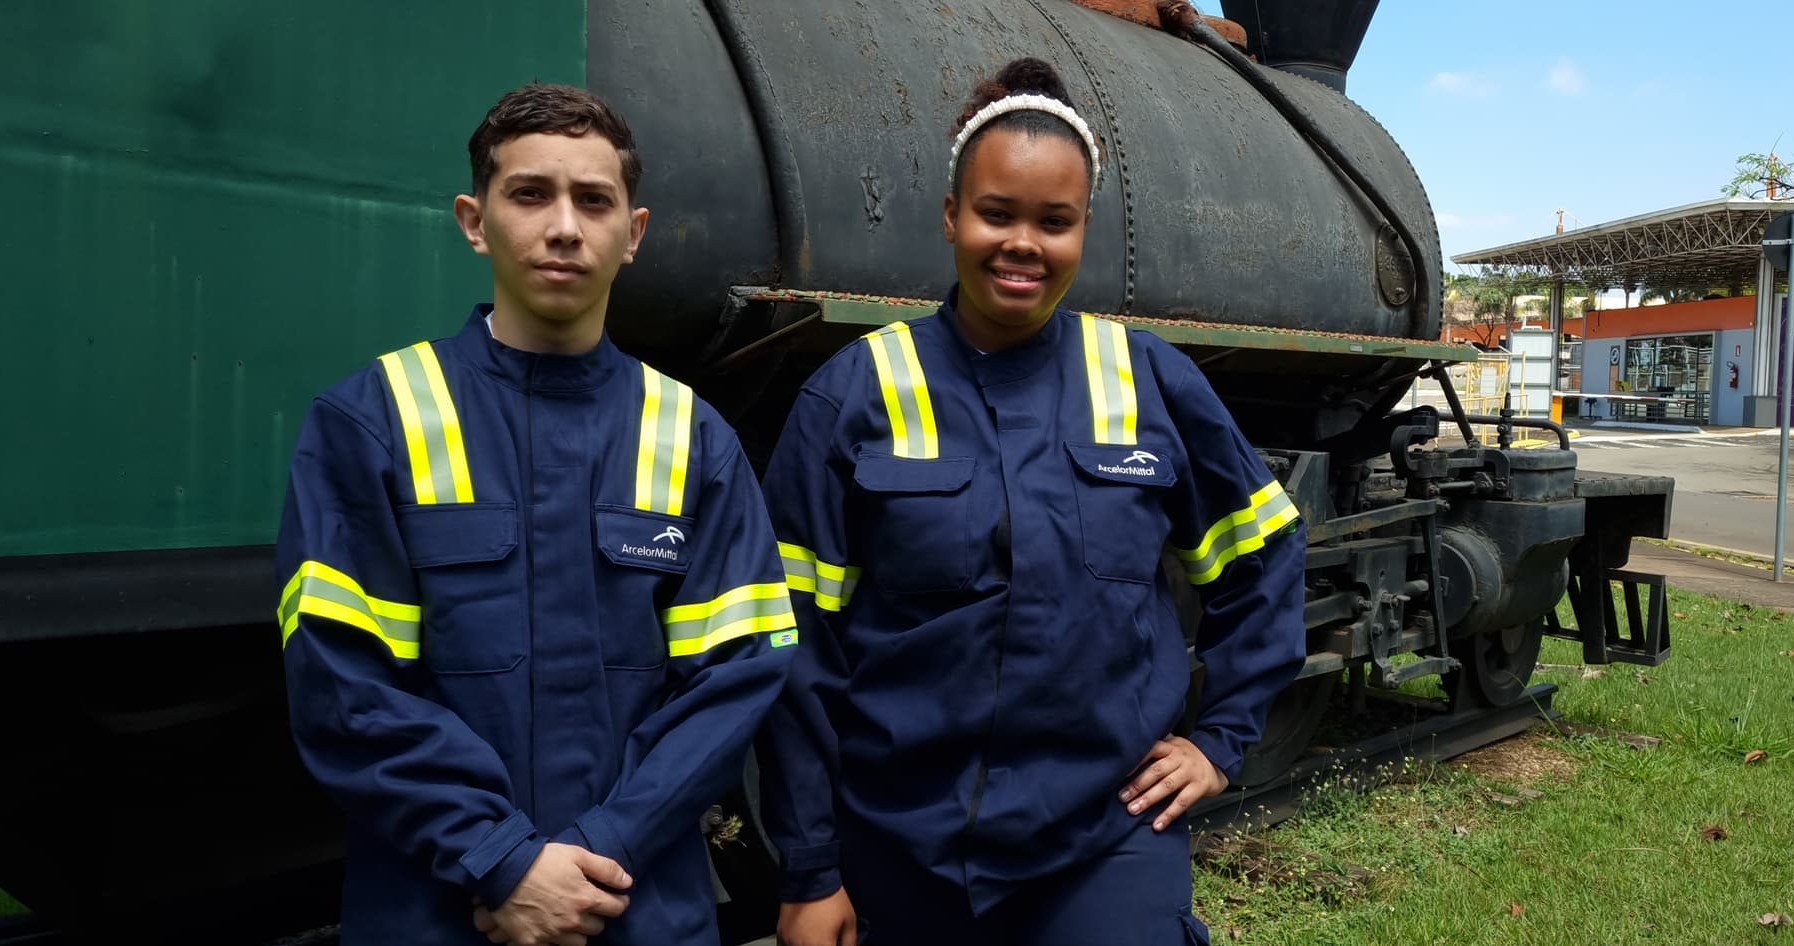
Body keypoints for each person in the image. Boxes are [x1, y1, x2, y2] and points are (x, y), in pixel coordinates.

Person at [755, 59, 1308, 946]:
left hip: (1102, 841)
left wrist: (1219, 741)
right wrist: (811, 870)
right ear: (950, 216)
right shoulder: (853, 394)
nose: (1023, 243)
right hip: (901, 843)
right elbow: (794, 648)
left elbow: (1266, 550)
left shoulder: (1146, 381)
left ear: (1083, 229)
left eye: (1054, 222)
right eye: (996, 213)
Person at [274, 83, 797, 946]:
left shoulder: (694, 439)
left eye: (594, 200)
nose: (564, 227)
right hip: (440, 911)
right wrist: (501, 859)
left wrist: (597, 849)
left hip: (631, 909)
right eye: (530, 194)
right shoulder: (374, 421)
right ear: (474, 221)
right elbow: (340, 680)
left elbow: (737, 677)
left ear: (632, 234)